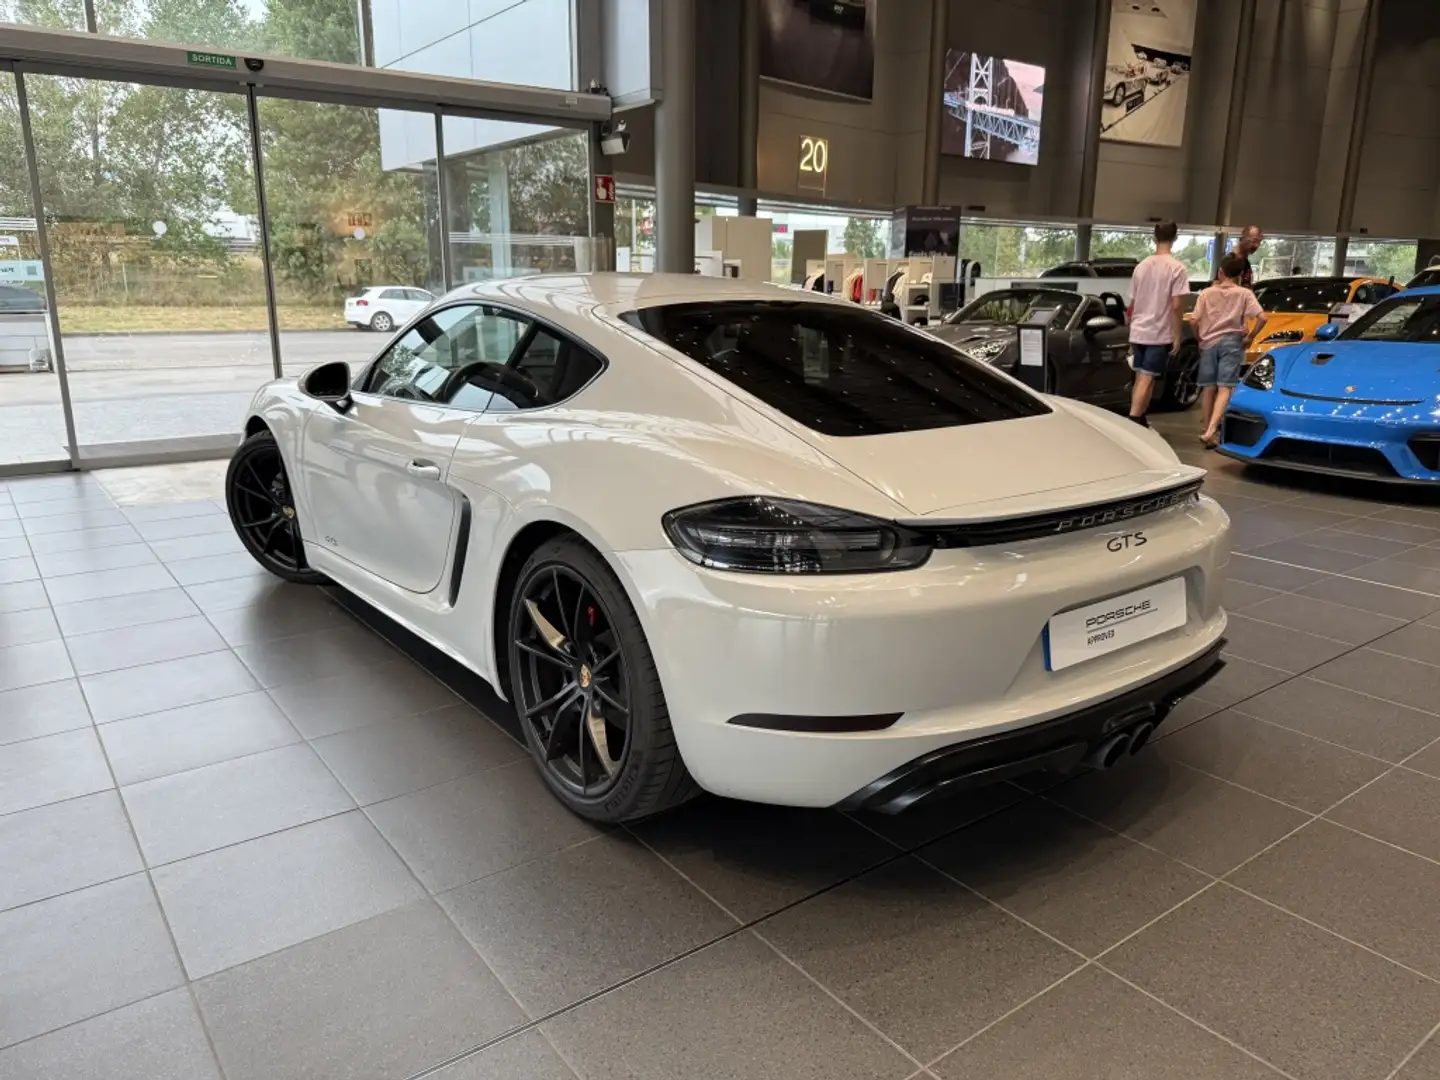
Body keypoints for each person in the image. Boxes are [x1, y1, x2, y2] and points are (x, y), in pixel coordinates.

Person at [1194, 252, 1267, 447]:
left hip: (1208, 342)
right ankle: (1212, 431)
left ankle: (1206, 429)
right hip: (1232, 342)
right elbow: (1262, 318)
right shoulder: (1244, 294)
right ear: (1239, 274)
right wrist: (1251, 337)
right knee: (1224, 387)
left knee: (1208, 388)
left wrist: (1198, 336)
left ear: (1220, 272)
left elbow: (1194, 319)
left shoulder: (1207, 293)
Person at [1125, 220, 1189, 425]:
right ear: (1175, 238)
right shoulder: (1177, 268)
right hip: (1158, 332)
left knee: (1141, 376)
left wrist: (1130, 324)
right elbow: (1177, 305)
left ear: (1154, 237)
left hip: (1138, 330)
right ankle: (1134, 419)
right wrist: (1177, 335)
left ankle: (1141, 416)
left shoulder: (1141, 266)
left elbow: (1132, 303)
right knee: (1147, 377)